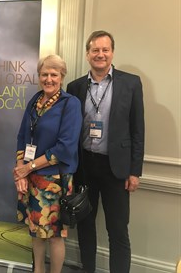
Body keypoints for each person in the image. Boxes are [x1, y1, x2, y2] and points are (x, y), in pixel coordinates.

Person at [67, 30, 144, 273]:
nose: (100, 54)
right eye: (95, 50)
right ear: (88, 54)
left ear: (112, 52)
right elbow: (70, 132)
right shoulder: (75, 86)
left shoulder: (131, 83)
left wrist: (134, 172)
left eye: (105, 50)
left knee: (118, 230)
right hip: (85, 167)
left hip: (116, 168)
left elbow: (137, 130)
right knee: (86, 225)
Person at [14, 55, 82, 273]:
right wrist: (20, 172)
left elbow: (65, 148)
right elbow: (22, 136)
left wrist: (28, 167)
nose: (49, 79)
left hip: (54, 180)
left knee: (54, 235)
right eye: (45, 74)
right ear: (39, 76)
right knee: (35, 230)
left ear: (62, 77)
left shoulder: (70, 104)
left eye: (54, 74)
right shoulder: (35, 100)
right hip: (31, 177)